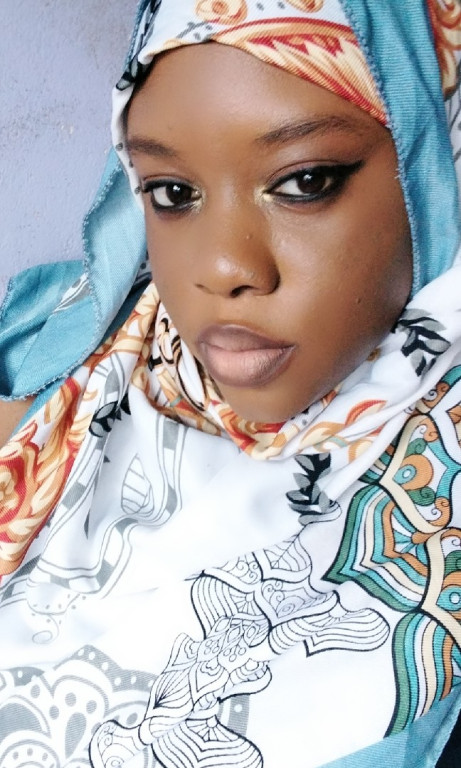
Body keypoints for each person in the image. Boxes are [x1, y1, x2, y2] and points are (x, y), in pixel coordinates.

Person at [0, 1, 461, 766]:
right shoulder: (63, 367)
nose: (222, 267)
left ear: (438, 159)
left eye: (303, 182)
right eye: (172, 193)